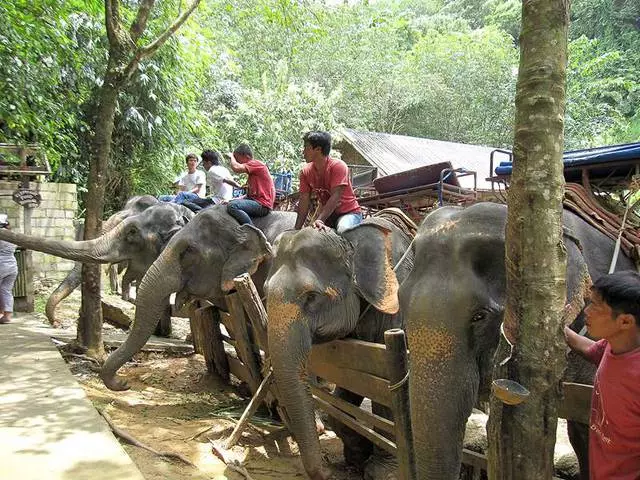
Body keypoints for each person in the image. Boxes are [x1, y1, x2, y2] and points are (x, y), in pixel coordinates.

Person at [564, 271, 640, 479]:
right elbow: (591, 350)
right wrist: (560, 328)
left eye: (596, 306)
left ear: (625, 321)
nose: (586, 311)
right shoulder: (613, 345)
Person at [294, 131, 362, 233]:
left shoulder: (338, 166)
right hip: (328, 216)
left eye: (306, 148)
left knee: (343, 230)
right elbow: (304, 200)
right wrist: (296, 229)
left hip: (348, 213)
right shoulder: (305, 172)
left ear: (318, 149)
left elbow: (335, 196)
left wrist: (320, 220)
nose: (303, 152)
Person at [226, 143, 275, 225]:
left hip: (262, 205)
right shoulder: (252, 176)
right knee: (231, 203)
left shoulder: (256, 164)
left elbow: (236, 168)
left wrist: (231, 157)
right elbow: (248, 196)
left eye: (237, 158)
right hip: (256, 202)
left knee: (232, 206)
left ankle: (252, 231)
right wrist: (232, 200)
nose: (237, 161)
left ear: (246, 156)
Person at [0, 214, 18, 324]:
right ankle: (7, 316)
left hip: (1, 265)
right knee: (6, 290)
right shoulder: (12, 236)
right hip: (12, 266)